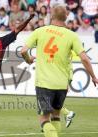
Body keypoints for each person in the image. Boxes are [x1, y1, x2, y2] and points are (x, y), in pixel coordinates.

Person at [21, 5, 98, 137]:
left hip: (44, 83)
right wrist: (93, 77)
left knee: (44, 119)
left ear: (51, 16)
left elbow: (23, 50)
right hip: (61, 85)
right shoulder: (72, 36)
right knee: (56, 115)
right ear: (66, 17)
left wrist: (28, 59)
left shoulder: (40, 31)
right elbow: (84, 58)